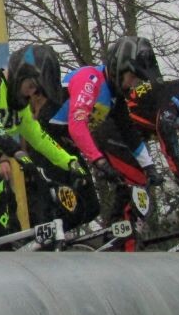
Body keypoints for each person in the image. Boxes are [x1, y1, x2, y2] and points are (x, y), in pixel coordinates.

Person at [0, 44, 95, 249]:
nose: (32, 94)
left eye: (37, 90)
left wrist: (70, 163)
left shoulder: (21, 107)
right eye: (32, 86)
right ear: (20, 72)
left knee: (3, 240)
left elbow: (39, 137)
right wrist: (16, 151)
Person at [47, 35, 163, 248]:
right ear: (119, 67)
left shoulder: (114, 96)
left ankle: (53, 244)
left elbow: (129, 133)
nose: (133, 84)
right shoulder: (91, 80)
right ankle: (39, 241)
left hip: (65, 149)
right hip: (43, 139)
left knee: (90, 207)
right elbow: (77, 126)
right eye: (133, 77)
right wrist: (99, 161)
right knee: (61, 203)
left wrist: (149, 167)